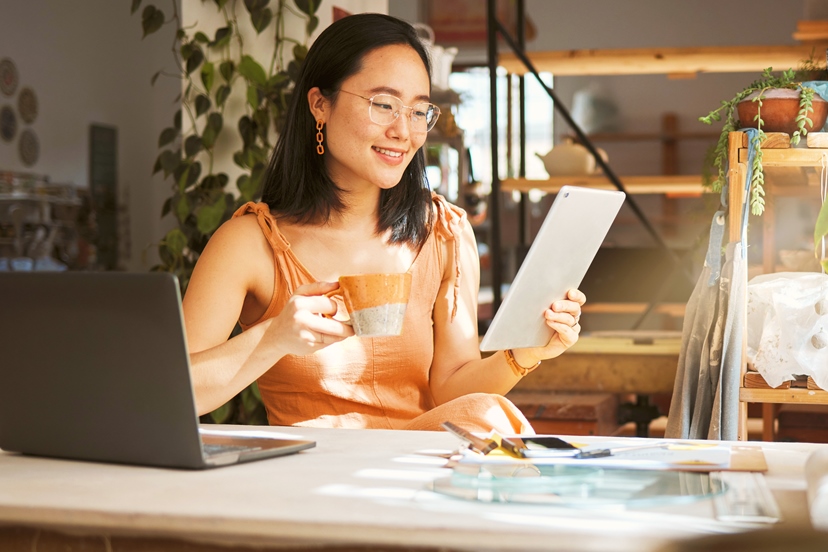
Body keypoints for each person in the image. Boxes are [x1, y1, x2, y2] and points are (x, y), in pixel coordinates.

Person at [181, 13, 585, 434]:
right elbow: (178, 392)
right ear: (320, 104)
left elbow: (452, 392)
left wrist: (525, 351)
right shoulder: (250, 244)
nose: (403, 131)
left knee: (486, 415)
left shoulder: (444, 233)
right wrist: (274, 338)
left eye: (418, 111)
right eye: (384, 104)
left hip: (417, 476)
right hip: (310, 481)